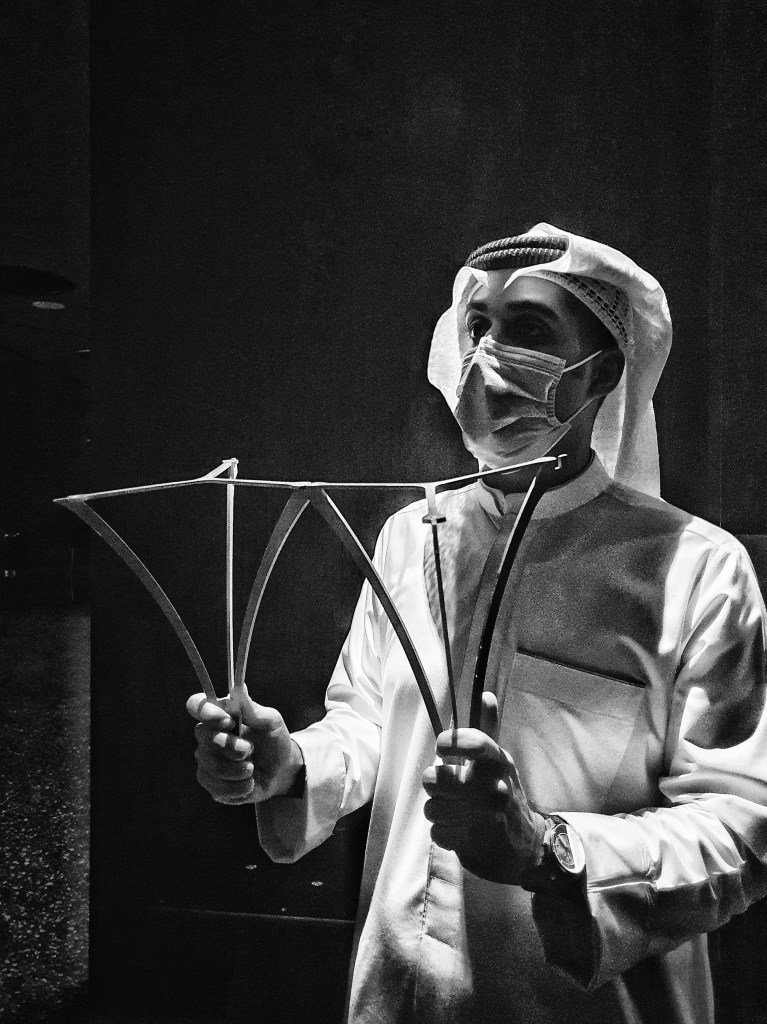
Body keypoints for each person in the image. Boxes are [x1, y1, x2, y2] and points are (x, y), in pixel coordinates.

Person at [187, 224, 767, 1023]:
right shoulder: (412, 534)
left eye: (527, 327)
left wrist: (545, 847)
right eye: (478, 325)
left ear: (601, 371)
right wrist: (291, 763)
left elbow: (741, 826)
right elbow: (368, 724)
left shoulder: (694, 567)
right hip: (397, 990)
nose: (488, 352)